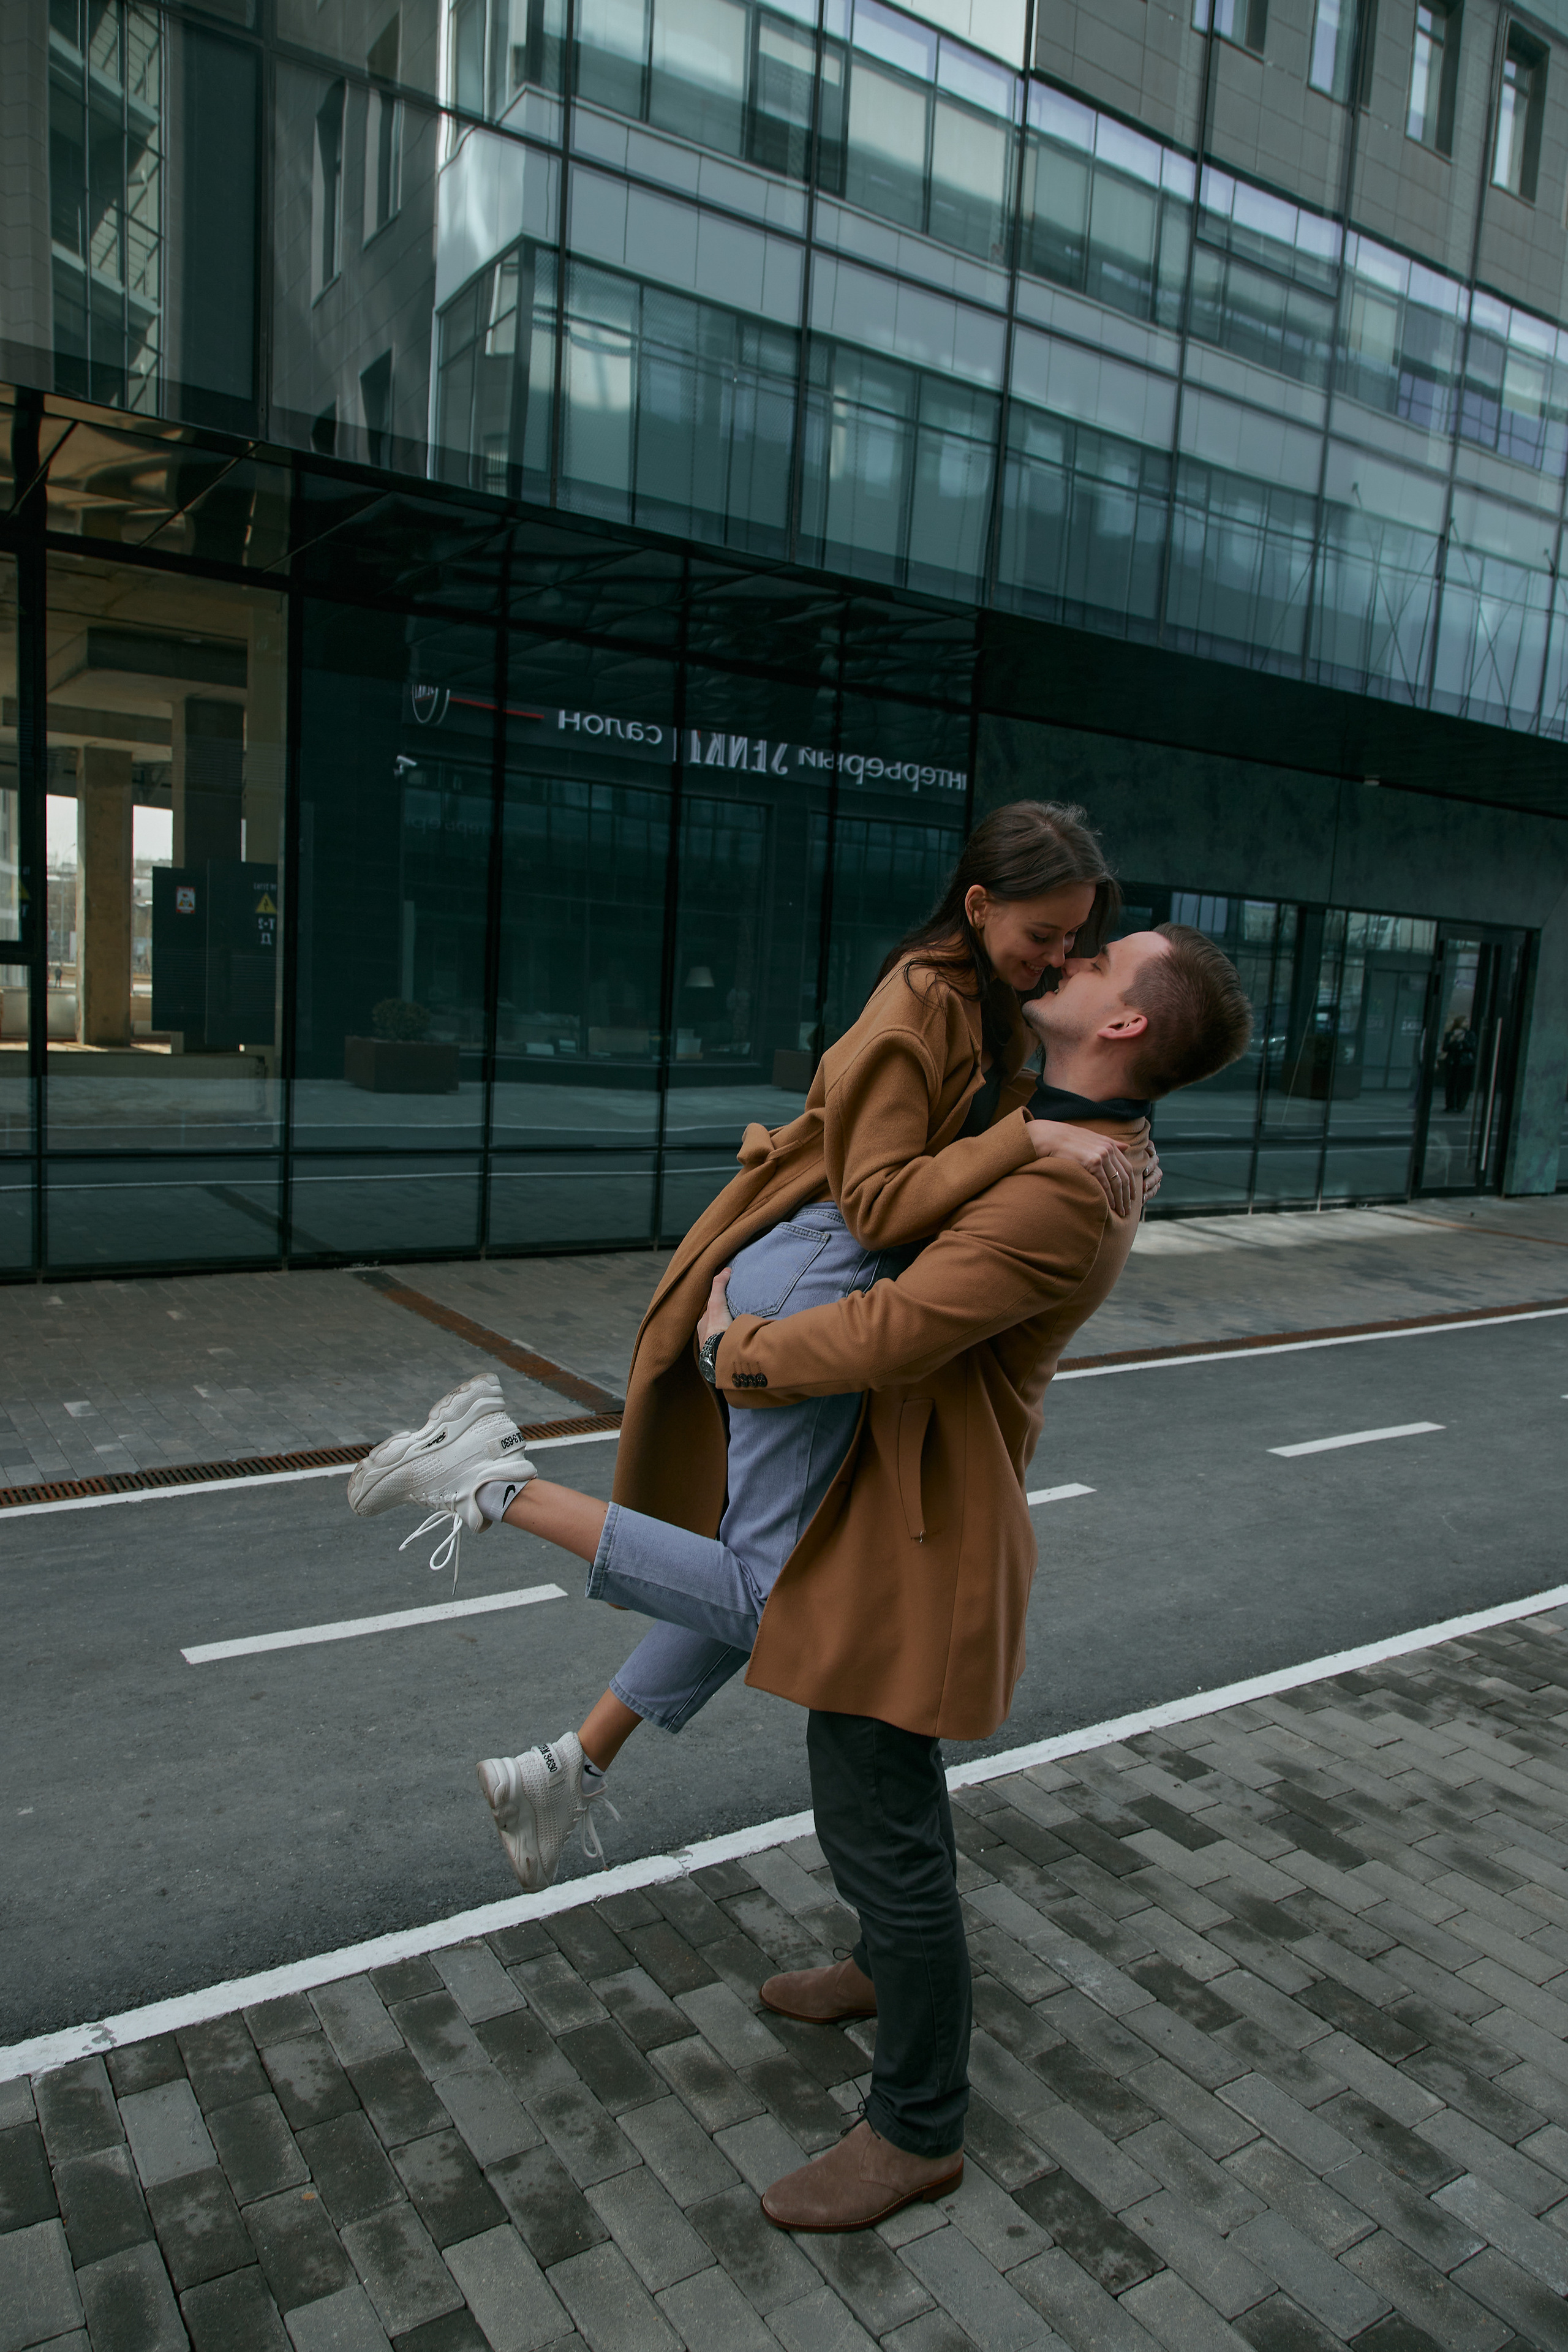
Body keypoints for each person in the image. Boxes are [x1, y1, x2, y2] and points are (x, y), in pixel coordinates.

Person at [349, 925, 1252, 2234]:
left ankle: (916, 2129)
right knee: (874, 1803)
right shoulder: (1039, 1121)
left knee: (884, 1833)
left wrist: (738, 1350)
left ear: (1124, 1026)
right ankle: (866, 1962)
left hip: (920, 1537)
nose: (1077, 954)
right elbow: (898, 1159)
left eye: (1104, 958)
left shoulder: (1071, 1184)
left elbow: (894, 1329)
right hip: (889, 1494)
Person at [352, 802, 1152, 1872]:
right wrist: (1033, 1132)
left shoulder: (985, 998)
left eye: (1073, 941)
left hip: (837, 1274)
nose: (1055, 958)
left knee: (789, 1572)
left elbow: (1025, 1127)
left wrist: (1102, 1135)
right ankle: (492, 1486)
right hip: (823, 1271)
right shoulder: (918, 1008)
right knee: (772, 1589)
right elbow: (874, 1204)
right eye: (1041, 935)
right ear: (977, 905)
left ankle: (567, 1771)